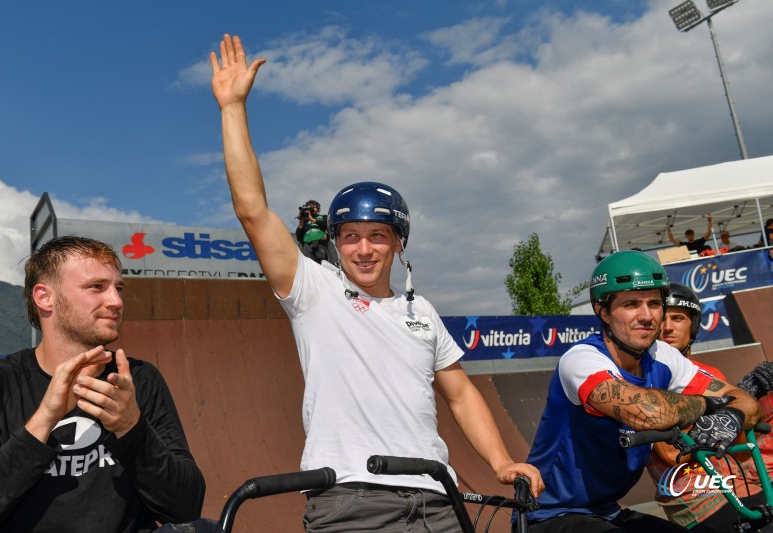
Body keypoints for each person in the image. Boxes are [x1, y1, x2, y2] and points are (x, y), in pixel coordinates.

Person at [209, 33, 543, 532]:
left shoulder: (421, 312)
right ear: (336, 243)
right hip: (350, 500)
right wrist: (233, 108)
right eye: (351, 237)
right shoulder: (314, 291)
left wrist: (499, 460)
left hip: (437, 499)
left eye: (377, 236)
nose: (363, 249)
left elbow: (459, 393)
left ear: (398, 244)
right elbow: (252, 211)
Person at [0, 236, 205, 532]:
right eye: (96, 287)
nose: (117, 302)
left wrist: (131, 427)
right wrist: (44, 419)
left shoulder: (139, 380)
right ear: (45, 297)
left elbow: (185, 507)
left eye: (118, 288)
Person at [524, 251, 759, 532]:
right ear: (603, 311)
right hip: (549, 515)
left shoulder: (662, 355)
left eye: (654, 303)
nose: (647, 316)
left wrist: (731, 415)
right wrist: (712, 405)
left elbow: (743, 399)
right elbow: (650, 414)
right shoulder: (582, 360)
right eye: (632, 304)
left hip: (607, 511)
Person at [646, 283, 771, 531]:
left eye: (678, 318)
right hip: (691, 495)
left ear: (693, 325)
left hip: (735, 484)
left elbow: (742, 452)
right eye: (662, 318)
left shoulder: (710, 374)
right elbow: (673, 456)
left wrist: (748, 402)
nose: (667, 327)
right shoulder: (645, 377)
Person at [295, 199, 330, 264]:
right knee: (308, 266)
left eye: (314, 207)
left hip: (321, 244)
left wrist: (312, 219)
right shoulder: (304, 221)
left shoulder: (323, 217)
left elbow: (327, 224)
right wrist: (301, 219)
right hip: (307, 246)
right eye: (310, 207)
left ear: (318, 209)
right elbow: (299, 236)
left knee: (322, 265)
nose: (312, 209)